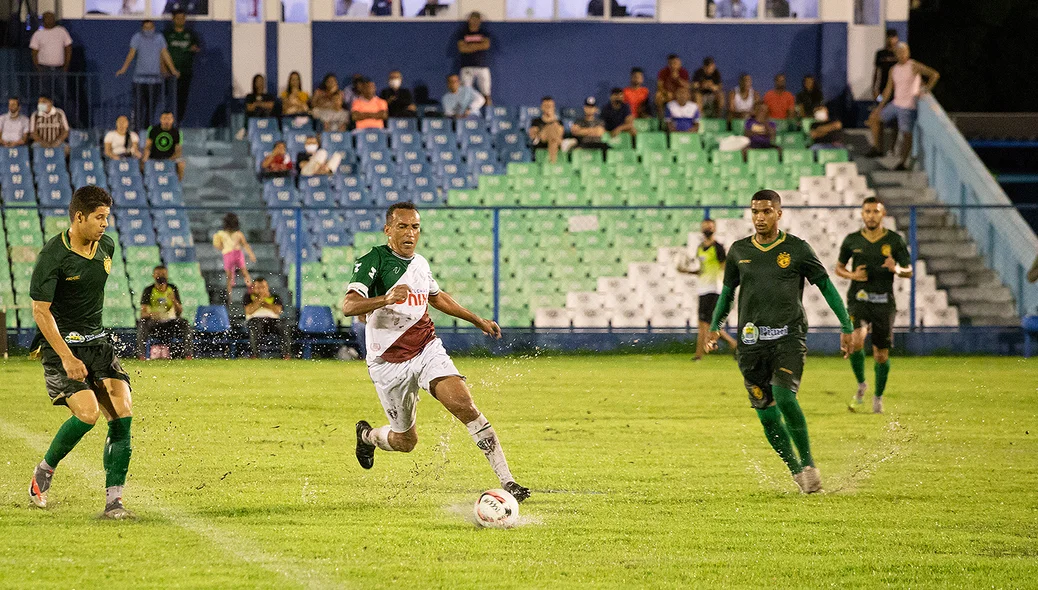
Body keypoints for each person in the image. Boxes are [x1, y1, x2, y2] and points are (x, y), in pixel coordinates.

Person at [346, 202, 530, 503]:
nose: (409, 233)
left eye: (415, 227)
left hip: (426, 349)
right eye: (402, 226)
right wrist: (385, 298)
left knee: (465, 404)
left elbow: (437, 297)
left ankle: (508, 481)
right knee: (406, 442)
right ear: (388, 229)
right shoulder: (373, 260)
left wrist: (476, 320)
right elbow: (348, 306)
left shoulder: (420, 264)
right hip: (388, 362)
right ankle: (367, 437)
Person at [706, 189, 854, 494]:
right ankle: (797, 473)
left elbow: (825, 286)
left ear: (779, 213)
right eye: (755, 212)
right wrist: (715, 326)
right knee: (767, 417)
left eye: (767, 212)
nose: (760, 218)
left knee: (785, 397)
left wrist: (846, 324)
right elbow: (726, 294)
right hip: (751, 344)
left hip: (789, 337)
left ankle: (810, 464)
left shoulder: (798, 249)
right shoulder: (737, 251)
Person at [27, 185, 136, 519]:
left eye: (107, 217)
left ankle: (114, 503)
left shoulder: (106, 246)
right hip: (62, 348)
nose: (105, 224)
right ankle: (43, 472)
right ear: (79, 217)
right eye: (99, 217)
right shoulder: (53, 256)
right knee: (88, 415)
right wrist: (67, 357)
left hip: (98, 343)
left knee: (122, 415)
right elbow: (40, 311)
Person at [835, 197, 912, 414]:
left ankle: (878, 397)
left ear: (883, 214)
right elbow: (838, 268)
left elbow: (909, 271)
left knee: (881, 355)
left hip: (883, 302)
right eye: (867, 211)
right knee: (857, 340)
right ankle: (861, 384)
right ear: (862, 214)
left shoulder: (895, 241)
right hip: (858, 298)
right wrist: (852, 274)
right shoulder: (852, 240)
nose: (871, 215)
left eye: (875, 211)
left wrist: (895, 269)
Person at [867, 43, 940, 170]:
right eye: (899, 52)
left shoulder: (913, 65)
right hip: (896, 103)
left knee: (906, 134)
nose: (901, 55)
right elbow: (889, 90)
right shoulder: (894, 69)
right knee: (874, 118)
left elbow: (934, 75)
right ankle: (878, 148)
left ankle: (903, 162)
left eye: (904, 52)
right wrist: (880, 106)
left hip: (908, 106)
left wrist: (926, 89)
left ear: (908, 52)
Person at [677, 219, 738, 361]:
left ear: (715, 229)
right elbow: (701, 270)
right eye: (705, 227)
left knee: (705, 323)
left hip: (715, 288)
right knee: (706, 323)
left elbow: (724, 266)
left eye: (710, 227)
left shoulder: (718, 247)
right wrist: (685, 271)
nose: (707, 229)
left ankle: (700, 355)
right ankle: (732, 344)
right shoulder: (699, 248)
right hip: (703, 289)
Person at [116, 20, 180, 130]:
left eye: (150, 27)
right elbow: (131, 53)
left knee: (151, 108)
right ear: (142, 28)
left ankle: (147, 130)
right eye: (146, 27)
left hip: (155, 80)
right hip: (139, 80)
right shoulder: (137, 37)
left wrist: (173, 70)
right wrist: (124, 68)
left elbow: (165, 54)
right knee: (138, 108)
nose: (148, 30)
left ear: (154, 27)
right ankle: (136, 130)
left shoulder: (159, 38)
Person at [135, 265, 194, 360]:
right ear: (153, 276)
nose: (161, 276)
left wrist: (174, 300)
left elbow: (180, 312)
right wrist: (153, 315)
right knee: (142, 324)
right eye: (158, 274)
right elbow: (143, 313)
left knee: (185, 323)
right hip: (154, 323)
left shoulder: (172, 288)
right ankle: (141, 355)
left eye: (163, 274)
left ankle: (188, 355)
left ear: (167, 275)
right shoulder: (149, 290)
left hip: (170, 322)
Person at [29, 12, 72, 109]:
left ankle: (65, 117)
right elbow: (34, 53)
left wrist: (66, 66)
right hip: (44, 69)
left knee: (64, 95)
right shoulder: (38, 34)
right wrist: (38, 68)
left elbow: (68, 48)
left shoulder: (62, 31)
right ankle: (42, 115)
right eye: (48, 18)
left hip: (60, 69)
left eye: (52, 17)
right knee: (44, 95)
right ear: (43, 20)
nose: (51, 20)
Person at [163, 10, 200, 123]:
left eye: (183, 18)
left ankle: (177, 123)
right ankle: (166, 122)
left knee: (182, 99)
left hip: (185, 71)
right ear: (173, 19)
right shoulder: (167, 34)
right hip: (169, 73)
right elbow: (162, 52)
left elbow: (197, 48)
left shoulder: (191, 34)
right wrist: (164, 69)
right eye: (178, 18)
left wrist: (195, 49)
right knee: (167, 98)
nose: (180, 20)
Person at [243, 278, 291, 360]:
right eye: (258, 288)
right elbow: (249, 310)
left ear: (267, 287)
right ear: (253, 288)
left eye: (263, 287)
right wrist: (260, 300)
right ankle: (254, 355)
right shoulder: (248, 297)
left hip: (272, 321)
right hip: (255, 320)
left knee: (283, 326)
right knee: (254, 326)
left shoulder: (275, 297)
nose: (261, 290)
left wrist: (263, 303)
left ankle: (286, 354)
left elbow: (278, 310)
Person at [212, 213, 256, 299]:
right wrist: (222, 247)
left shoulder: (238, 234)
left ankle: (251, 290)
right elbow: (217, 245)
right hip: (228, 254)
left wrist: (251, 254)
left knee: (244, 272)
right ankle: (229, 295)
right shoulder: (221, 234)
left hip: (236, 253)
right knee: (230, 276)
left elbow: (245, 244)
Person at [456, 12, 492, 105]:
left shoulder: (484, 33)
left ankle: (489, 115)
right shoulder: (463, 33)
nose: (475, 21)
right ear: (469, 20)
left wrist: (469, 46)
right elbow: (462, 48)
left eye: (477, 19)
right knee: (466, 93)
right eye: (473, 19)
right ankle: (466, 115)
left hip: (482, 66)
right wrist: (478, 45)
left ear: (480, 21)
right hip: (466, 66)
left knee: (486, 93)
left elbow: (486, 45)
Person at [144, 111, 185, 180]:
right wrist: (145, 156)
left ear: (172, 120)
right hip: (154, 158)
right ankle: (145, 184)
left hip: (170, 158)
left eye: (169, 119)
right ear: (160, 119)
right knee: (141, 162)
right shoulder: (152, 129)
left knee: (181, 164)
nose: (166, 121)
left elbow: (178, 151)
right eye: (164, 118)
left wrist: (169, 160)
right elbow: (148, 146)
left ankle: (177, 185)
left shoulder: (178, 132)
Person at [528, 96, 564, 164]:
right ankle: (553, 163)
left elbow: (560, 134)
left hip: (555, 142)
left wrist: (552, 119)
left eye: (550, 106)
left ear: (554, 107)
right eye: (546, 106)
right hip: (541, 142)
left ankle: (551, 162)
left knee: (554, 135)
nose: (548, 108)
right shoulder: (536, 121)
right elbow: (533, 136)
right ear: (542, 107)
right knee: (552, 128)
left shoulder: (558, 122)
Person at [873, 29, 900, 100]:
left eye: (893, 37)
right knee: (881, 105)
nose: (891, 40)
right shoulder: (880, 53)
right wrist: (874, 89)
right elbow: (876, 72)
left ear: (897, 39)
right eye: (889, 37)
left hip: (898, 90)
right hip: (883, 88)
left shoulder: (900, 54)